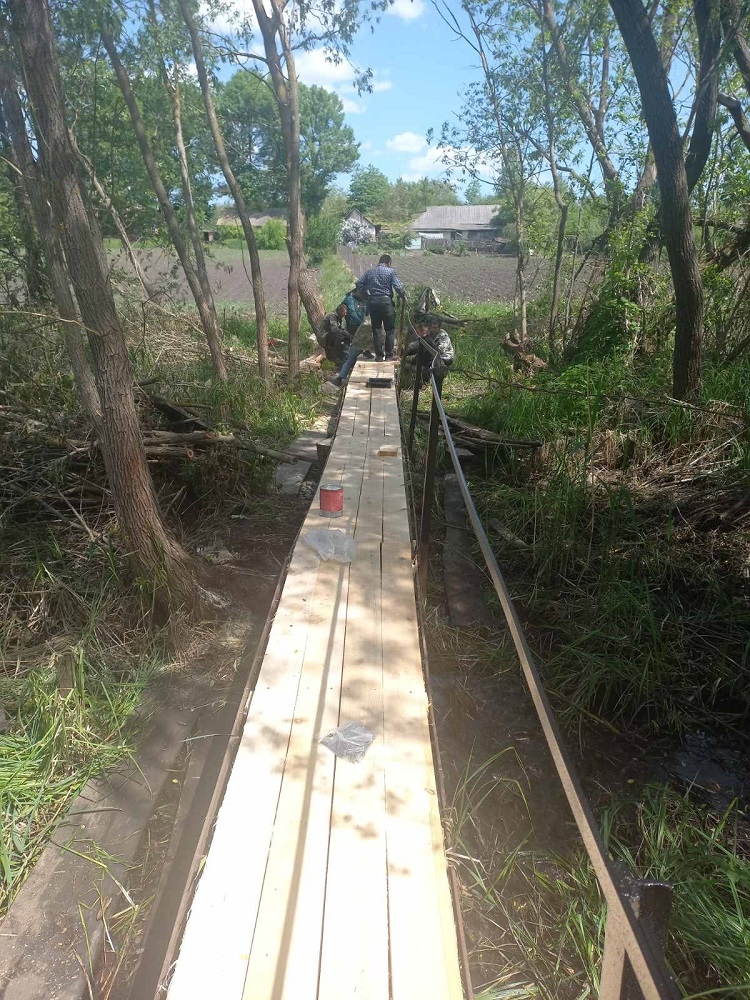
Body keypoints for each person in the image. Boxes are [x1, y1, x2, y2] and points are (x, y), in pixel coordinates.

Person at [355, 253, 406, 361]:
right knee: (390, 330)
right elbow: (398, 287)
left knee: (376, 329)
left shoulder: (369, 272)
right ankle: (388, 356)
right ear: (389, 263)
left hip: (373, 302)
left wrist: (365, 294)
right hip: (386, 302)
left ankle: (378, 356)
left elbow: (358, 282)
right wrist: (403, 297)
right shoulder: (391, 272)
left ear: (380, 262)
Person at [405, 316, 455, 394]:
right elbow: (417, 344)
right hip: (432, 355)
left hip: (444, 357)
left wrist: (429, 343)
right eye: (432, 327)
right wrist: (406, 349)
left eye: (435, 328)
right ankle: (417, 368)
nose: (433, 330)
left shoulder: (443, 335)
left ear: (439, 328)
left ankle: (426, 377)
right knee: (420, 350)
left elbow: (440, 350)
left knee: (429, 362)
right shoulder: (429, 334)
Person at [330, 319, 378, 385]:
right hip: (366, 344)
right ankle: (339, 379)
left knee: (349, 361)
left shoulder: (366, 321)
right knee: (349, 360)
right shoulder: (377, 323)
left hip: (357, 343)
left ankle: (339, 378)